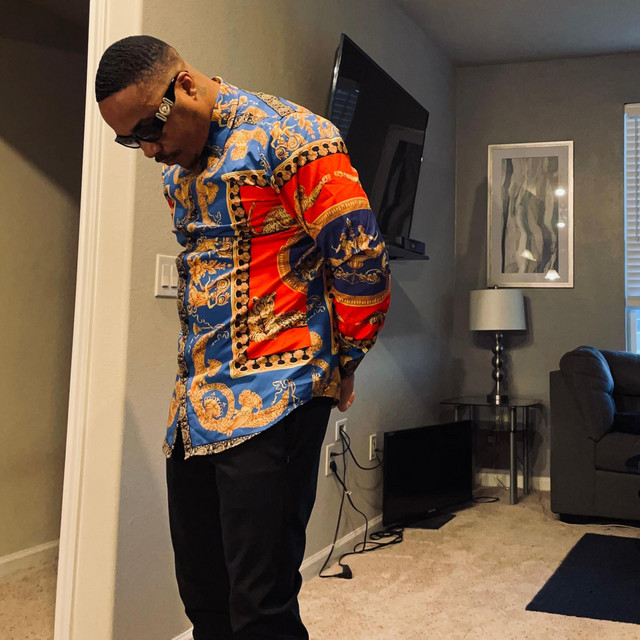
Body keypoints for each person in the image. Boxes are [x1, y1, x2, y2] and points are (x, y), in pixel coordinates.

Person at [95, 35, 390, 640]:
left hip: (277, 400)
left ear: (185, 85)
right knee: (203, 597)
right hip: (193, 408)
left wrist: (344, 363)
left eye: (149, 128)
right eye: (130, 140)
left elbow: (362, 261)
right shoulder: (178, 168)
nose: (148, 150)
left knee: (260, 608)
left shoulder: (293, 137)